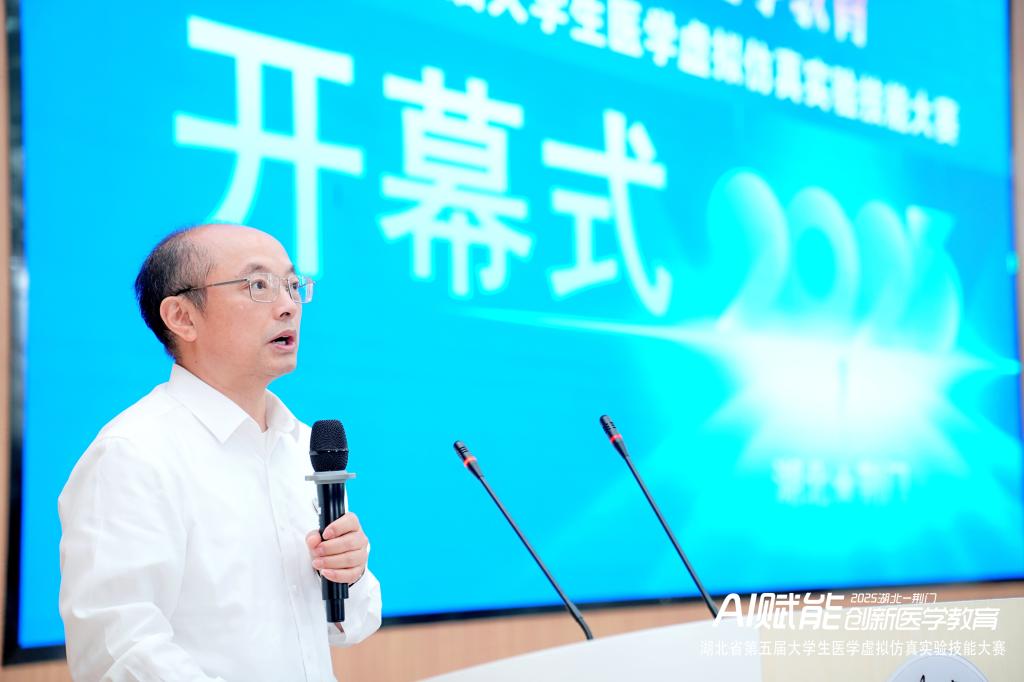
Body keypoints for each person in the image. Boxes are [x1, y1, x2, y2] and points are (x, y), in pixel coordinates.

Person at [58, 224, 381, 681]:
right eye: (258, 285)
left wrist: (350, 573)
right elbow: (118, 651)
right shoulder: (133, 454)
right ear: (182, 317)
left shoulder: (301, 445)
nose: (289, 305)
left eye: (293, 285)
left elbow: (351, 625)